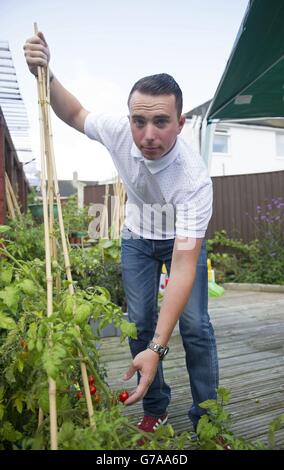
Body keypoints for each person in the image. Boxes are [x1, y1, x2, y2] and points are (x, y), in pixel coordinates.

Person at [24, 32, 219, 435]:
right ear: (129, 117)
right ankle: (156, 405)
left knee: (196, 326)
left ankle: (208, 419)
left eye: (161, 122)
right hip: (136, 237)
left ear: (180, 124)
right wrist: (46, 72)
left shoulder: (193, 181)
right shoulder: (118, 131)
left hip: (180, 242)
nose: (148, 134)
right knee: (138, 322)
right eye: (139, 120)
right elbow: (74, 113)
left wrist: (160, 346)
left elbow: (182, 267)